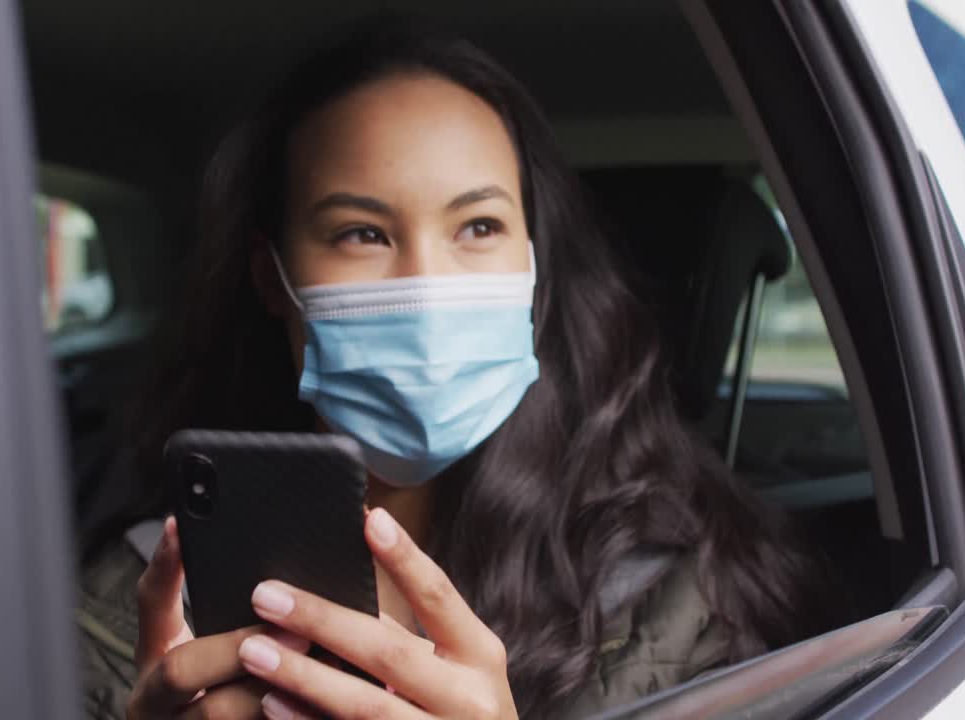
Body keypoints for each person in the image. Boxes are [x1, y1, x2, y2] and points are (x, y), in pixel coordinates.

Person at [78, 20, 843, 720]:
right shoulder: (136, 599)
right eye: (361, 233)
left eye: (479, 226)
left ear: (534, 268)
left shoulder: (678, 598)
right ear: (270, 277)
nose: (427, 284)